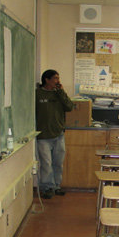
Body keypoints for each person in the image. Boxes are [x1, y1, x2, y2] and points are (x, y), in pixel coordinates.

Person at [36, 69, 73, 198]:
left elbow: (69, 107)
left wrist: (61, 92)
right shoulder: (38, 94)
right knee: (46, 164)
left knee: (58, 163)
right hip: (43, 136)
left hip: (58, 134)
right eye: (55, 78)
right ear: (47, 80)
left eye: (58, 78)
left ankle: (56, 186)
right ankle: (47, 188)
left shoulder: (59, 93)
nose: (58, 81)